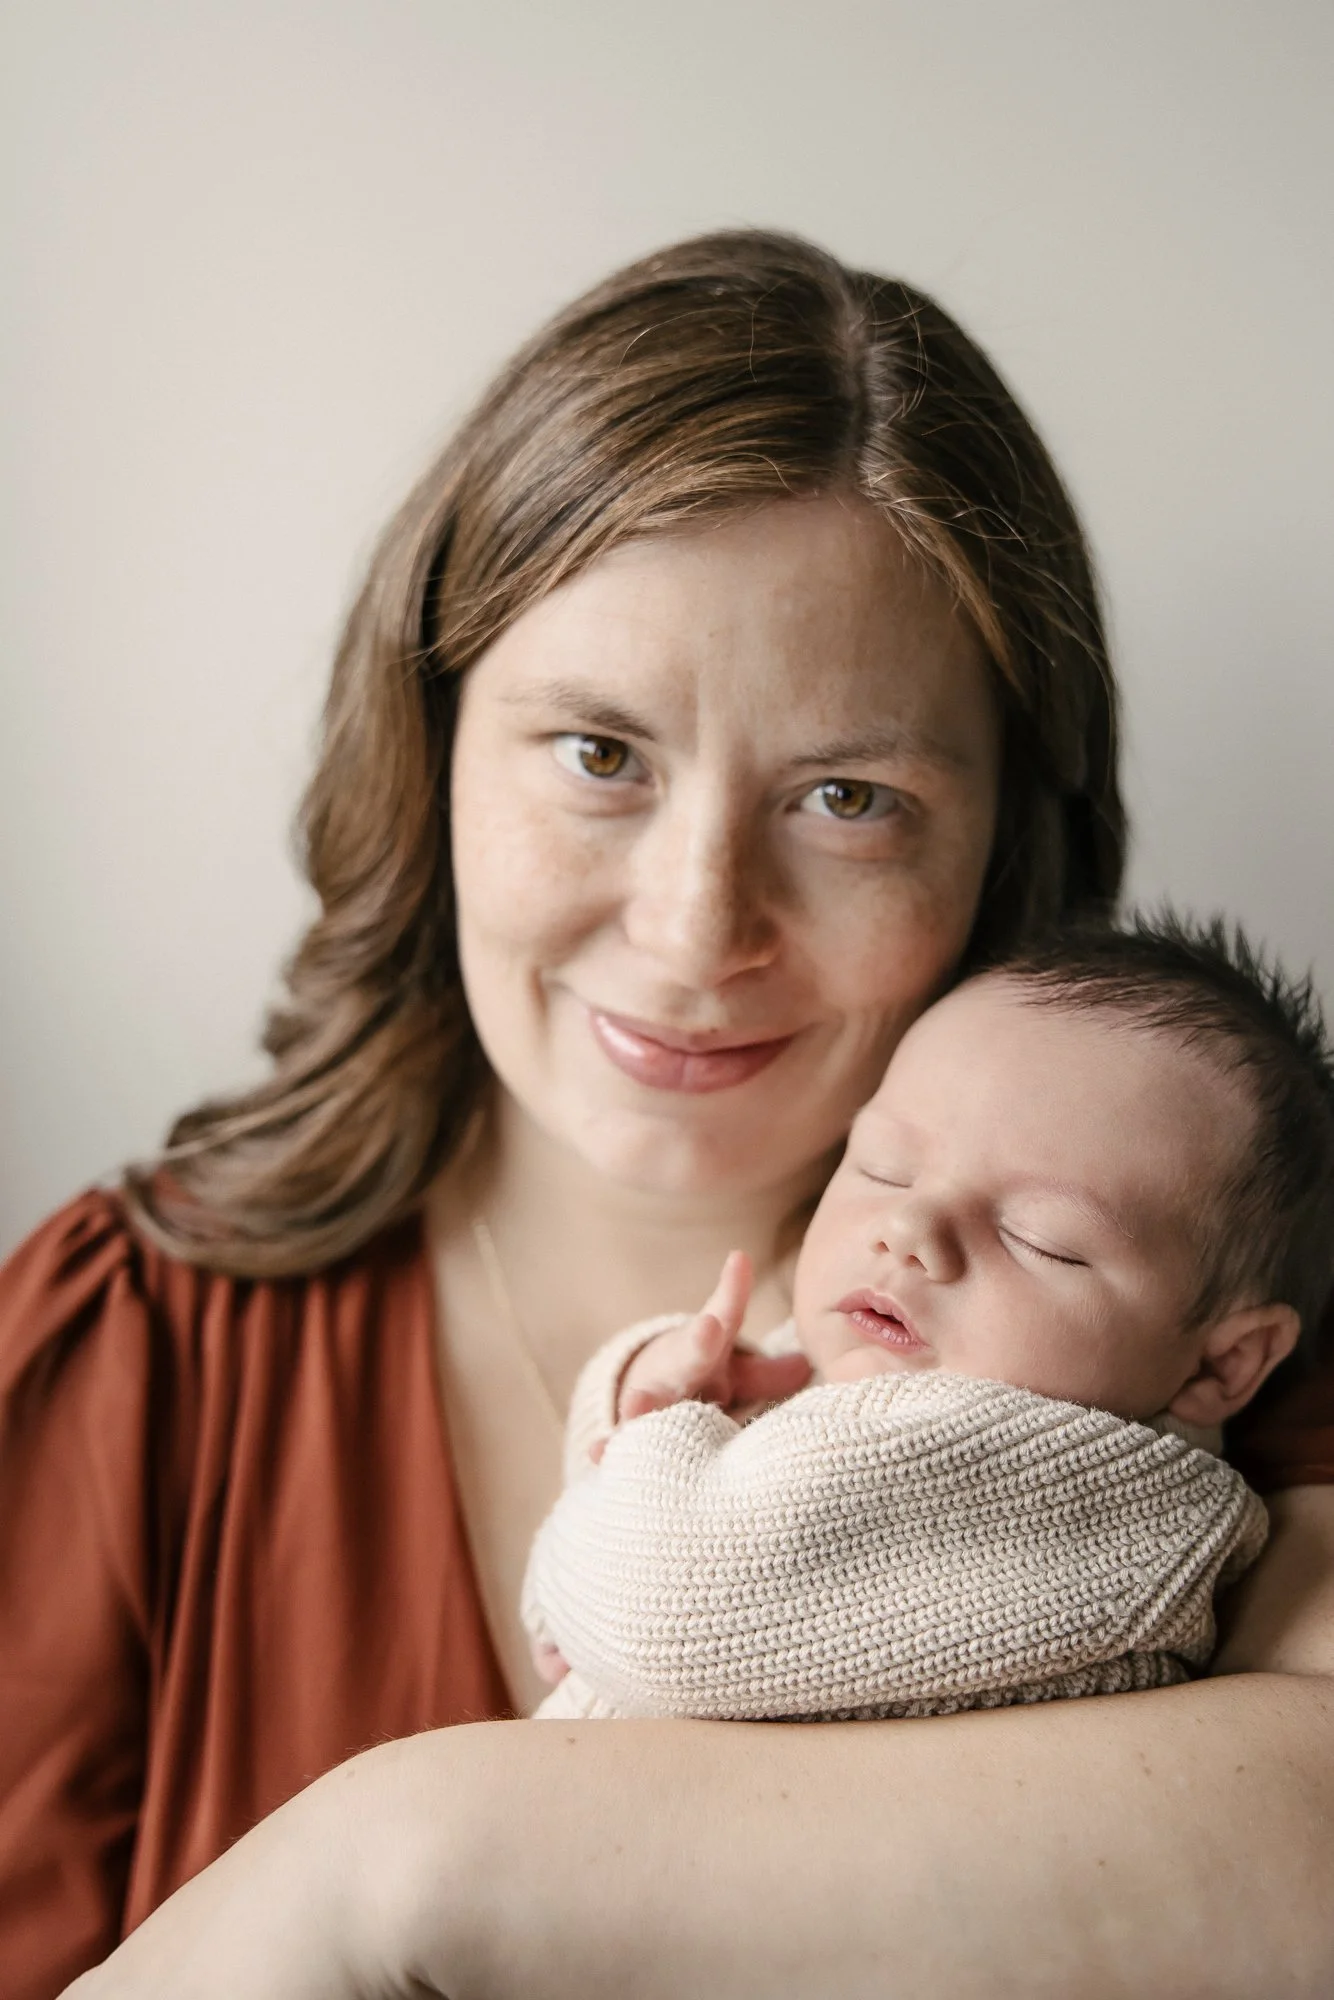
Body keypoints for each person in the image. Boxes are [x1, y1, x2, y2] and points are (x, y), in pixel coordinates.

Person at [1, 229, 1329, 2000]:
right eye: (599, 754)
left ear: (999, 841)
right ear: (435, 748)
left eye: (845, 796)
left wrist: (388, 1871)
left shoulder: (1208, 1331)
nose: (696, 925)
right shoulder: (124, 1352)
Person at [525, 917, 1334, 1722]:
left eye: (1039, 1239)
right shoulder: (882, 1367)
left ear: (1220, 1364)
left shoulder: (1071, 1495)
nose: (909, 1233)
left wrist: (623, 1488)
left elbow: (662, 1620)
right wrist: (651, 1393)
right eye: (885, 1167)